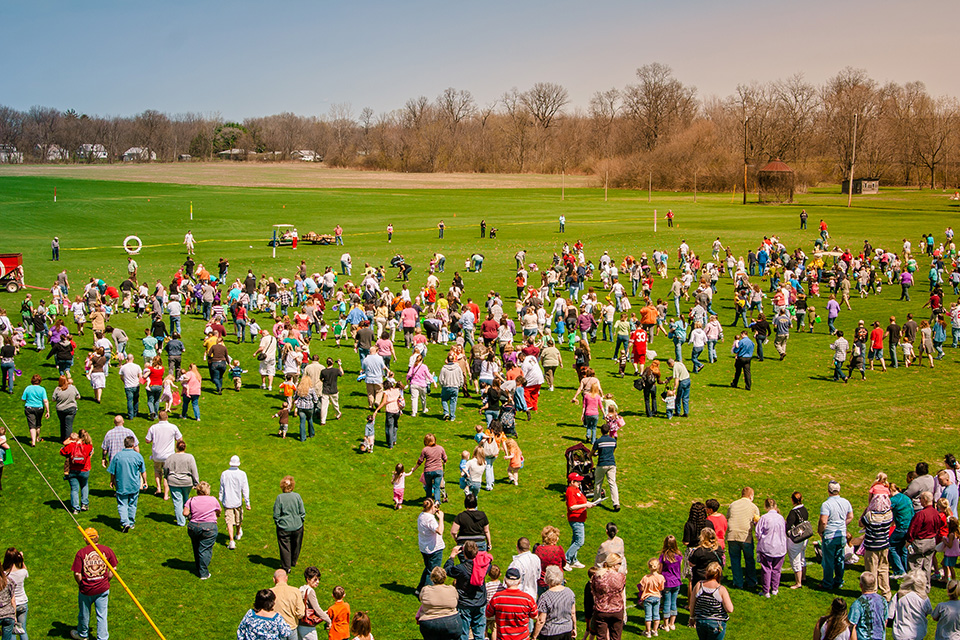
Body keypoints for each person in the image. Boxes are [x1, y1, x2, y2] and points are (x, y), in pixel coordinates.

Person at [70, 528, 118, 640]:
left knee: (84, 614)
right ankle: (102, 637)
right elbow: (113, 568)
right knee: (102, 615)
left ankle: (82, 634)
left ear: (85, 539)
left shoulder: (81, 553)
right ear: (97, 537)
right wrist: (107, 580)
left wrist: (81, 584)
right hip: (103, 589)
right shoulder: (107, 550)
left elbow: (77, 573)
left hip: (86, 590)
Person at [444, 541, 488, 640]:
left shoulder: (461, 568)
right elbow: (489, 564)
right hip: (480, 602)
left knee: (464, 633)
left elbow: (447, 570)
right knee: (480, 634)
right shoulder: (483, 567)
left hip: (465, 603)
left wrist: (452, 556)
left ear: (463, 553)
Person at [107, 436, 147, 533]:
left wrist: (112, 481)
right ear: (133, 445)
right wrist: (145, 481)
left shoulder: (117, 456)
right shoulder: (138, 456)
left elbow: (112, 471)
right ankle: (131, 522)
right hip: (134, 484)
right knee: (132, 504)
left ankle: (125, 522)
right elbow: (143, 471)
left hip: (121, 484)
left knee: (122, 504)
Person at [819, 480, 854, 590]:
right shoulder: (845, 502)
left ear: (829, 491)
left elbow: (824, 521)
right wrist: (842, 525)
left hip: (830, 535)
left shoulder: (826, 504)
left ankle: (828, 583)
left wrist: (821, 531)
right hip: (841, 534)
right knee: (839, 559)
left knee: (828, 561)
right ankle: (839, 581)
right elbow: (850, 516)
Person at [183, 481, 220, 580]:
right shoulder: (212, 500)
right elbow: (218, 511)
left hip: (193, 527)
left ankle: (198, 566)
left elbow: (185, 513)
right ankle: (203, 573)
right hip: (209, 528)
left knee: (196, 546)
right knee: (205, 549)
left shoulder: (191, 500)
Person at [725, 487, 759, 590]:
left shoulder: (733, 504)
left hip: (732, 536)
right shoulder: (753, 507)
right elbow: (757, 521)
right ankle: (751, 581)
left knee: (735, 560)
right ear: (751, 496)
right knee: (749, 559)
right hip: (745, 537)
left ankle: (738, 583)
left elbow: (728, 517)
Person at [689, 562, 733, 640]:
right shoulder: (721, 589)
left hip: (701, 621)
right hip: (717, 623)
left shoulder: (699, 585)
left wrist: (692, 617)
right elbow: (730, 609)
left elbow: (692, 603)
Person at [145, 411, 182, 499]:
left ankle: (158, 488)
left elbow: (147, 440)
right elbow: (180, 439)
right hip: (168, 456)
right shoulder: (173, 427)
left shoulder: (153, 428)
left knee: (157, 471)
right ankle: (166, 494)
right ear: (167, 417)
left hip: (157, 455)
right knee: (167, 474)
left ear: (159, 418)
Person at [416, 566, 460, 640]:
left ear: (431, 578)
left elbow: (421, 600)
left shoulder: (425, 590)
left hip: (429, 622)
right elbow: (457, 600)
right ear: (445, 577)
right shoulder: (452, 589)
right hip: (451, 622)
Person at [531, 565, 574, 640]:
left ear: (547, 579)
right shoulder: (569, 592)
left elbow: (541, 620)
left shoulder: (545, 597)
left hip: (551, 633)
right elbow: (573, 613)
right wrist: (574, 628)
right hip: (567, 630)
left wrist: (534, 636)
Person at [273, 476, 305, 574]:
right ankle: (293, 561)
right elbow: (302, 511)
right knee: (296, 544)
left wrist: (278, 523)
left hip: (284, 527)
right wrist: (300, 520)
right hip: (297, 526)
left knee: (285, 546)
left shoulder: (280, 498)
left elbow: (276, 514)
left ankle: (287, 567)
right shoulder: (297, 496)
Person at [754, 498, 786, 597]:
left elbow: (758, 533)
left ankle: (766, 591)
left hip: (767, 547)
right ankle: (775, 589)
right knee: (777, 569)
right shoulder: (780, 518)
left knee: (766, 569)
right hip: (780, 547)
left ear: (766, 506)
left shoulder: (764, 518)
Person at [164, 438, 199, 527]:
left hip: (174, 482)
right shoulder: (189, 457)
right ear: (185, 448)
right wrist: (196, 483)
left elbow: (165, 468)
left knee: (177, 501)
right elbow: (194, 470)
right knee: (186, 499)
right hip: (187, 482)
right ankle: (186, 515)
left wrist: (166, 476)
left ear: (176, 447)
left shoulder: (171, 457)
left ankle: (181, 521)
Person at [590, 554, 626, 640]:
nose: (620, 566)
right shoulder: (621, 577)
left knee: (601, 637)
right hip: (617, 609)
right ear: (614, 564)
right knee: (616, 637)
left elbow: (593, 591)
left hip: (601, 610)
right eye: (619, 563)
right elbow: (621, 591)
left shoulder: (597, 576)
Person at [565, 473, 597, 570]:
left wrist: (589, 504)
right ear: (572, 482)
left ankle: (573, 560)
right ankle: (565, 560)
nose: (579, 482)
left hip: (580, 518)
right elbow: (571, 507)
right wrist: (585, 505)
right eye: (577, 481)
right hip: (576, 519)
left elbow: (581, 502)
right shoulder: (570, 491)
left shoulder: (576, 490)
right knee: (579, 541)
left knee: (575, 540)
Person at [220, 455, 251, 550]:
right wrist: (247, 502)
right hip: (237, 501)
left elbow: (222, 488)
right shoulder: (242, 474)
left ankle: (231, 540)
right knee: (238, 520)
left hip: (228, 501)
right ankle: (237, 533)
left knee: (229, 521)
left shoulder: (224, 474)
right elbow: (245, 489)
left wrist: (220, 500)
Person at [889, 571, 931, 640]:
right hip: (918, 634)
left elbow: (890, 614)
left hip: (901, 634)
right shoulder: (924, 598)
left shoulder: (898, 596)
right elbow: (929, 611)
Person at [417, 498, 446, 596]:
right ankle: (426, 594)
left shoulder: (421, 516)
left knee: (428, 568)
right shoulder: (430, 519)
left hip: (424, 547)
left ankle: (419, 589)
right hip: (434, 549)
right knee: (432, 572)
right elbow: (440, 530)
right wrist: (441, 518)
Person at [61, 430, 94, 513]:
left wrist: (68, 442)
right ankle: (84, 504)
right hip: (84, 469)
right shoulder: (88, 446)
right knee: (84, 485)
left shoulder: (71, 445)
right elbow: (91, 453)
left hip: (72, 470)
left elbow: (62, 452)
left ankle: (76, 508)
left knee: (74, 489)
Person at [848, 573, 887, 640]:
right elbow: (885, 621)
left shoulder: (858, 603)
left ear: (861, 585)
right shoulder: (883, 600)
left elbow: (852, 626)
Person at [784, 491, 810, 589]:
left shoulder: (793, 512)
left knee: (795, 559)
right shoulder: (804, 510)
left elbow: (788, 527)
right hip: (804, 537)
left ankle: (798, 582)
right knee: (802, 557)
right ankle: (803, 577)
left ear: (792, 500)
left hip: (796, 539)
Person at [269, 569, 304, 640]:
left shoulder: (270, 593)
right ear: (286, 578)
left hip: (276, 629)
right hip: (292, 627)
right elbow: (301, 613)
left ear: (274, 579)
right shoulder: (295, 591)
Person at [591, 424, 619, 512]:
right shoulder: (613, 441)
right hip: (611, 464)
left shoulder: (598, 441)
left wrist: (592, 455)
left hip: (602, 464)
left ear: (601, 431)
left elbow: (592, 452)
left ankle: (597, 500)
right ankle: (616, 503)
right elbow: (612, 451)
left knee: (598, 482)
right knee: (612, 483)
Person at [3, 549, 27, 640]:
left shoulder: (5, 575)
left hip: (11, 605)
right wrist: (22, 560)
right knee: (23, 630)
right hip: (23, 603)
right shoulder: (23, 572)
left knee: (12, 631)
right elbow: (25, 569)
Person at [508, 537, 541, 603]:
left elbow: (509, 583)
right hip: (533, 597)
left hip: (520, 599)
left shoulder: (516, 563)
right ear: (529, 546)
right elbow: (538, 576)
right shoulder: (536, 558)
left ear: (517, 547)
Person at [638, 558, 665, 638]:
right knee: (656, 615)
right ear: (658, 567)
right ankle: (655, 630)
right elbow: (662, 588)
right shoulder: (661, 577)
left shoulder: (645, 578)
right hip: (657, 597)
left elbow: (642, 588)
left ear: (649, 567)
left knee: (648, 616)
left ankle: (648, 631)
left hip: (648, 597)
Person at [21, 374, 49, 447]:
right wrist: (48, 411)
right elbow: (45, 400)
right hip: (39, 408)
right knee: (38, 424)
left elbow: (23, 398)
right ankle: (37, 438)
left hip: (29, 408)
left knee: (32, 425)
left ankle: (33, 442)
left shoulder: (28, 388)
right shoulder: (42, 389)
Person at [52, 375, 81, 441]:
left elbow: (53, 399)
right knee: (69, 425)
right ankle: (68, 440)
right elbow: (78, 396)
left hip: (60, 409)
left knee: (62, 423)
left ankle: (62, 438)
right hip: (71, 408)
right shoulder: (72, 387)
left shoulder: (57, 389)